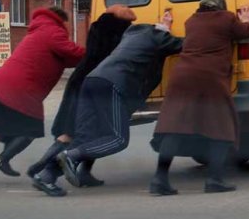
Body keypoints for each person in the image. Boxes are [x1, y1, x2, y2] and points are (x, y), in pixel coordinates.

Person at [32, 11, 183, 197]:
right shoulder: (158, 37)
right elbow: (184, 44)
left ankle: (45, 176)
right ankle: (70, 157)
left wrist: (162, 27)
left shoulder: (132, 35)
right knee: (117, 139)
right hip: (112, 84)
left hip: (92, 80)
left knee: (84, 137)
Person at [0, 7, 85, 186]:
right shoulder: (52, 30)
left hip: (3, 85)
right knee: (29, 130)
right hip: (21, 89)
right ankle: (2, 159)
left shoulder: (40, 30)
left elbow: (67, 58)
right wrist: (96, 53)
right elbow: (73, 52)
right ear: (60, 19)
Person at [149, 0, 249, 195]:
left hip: (181, 77)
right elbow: (245, 32)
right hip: (210, 78)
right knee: (222, 128)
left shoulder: (191, 21)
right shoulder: (226, 18)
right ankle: (215, 179)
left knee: (174, 127)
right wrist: (247, 20)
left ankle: (159, 179)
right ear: (220, 5)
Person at [26, 4, 137, 186]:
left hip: (80, 78)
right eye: (130, 20)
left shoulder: (96, 26)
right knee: (81, 132)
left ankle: (76, 172)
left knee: (79, 130)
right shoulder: (119, 31)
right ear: (123, 20)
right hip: (95, 81)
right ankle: (46, 169)